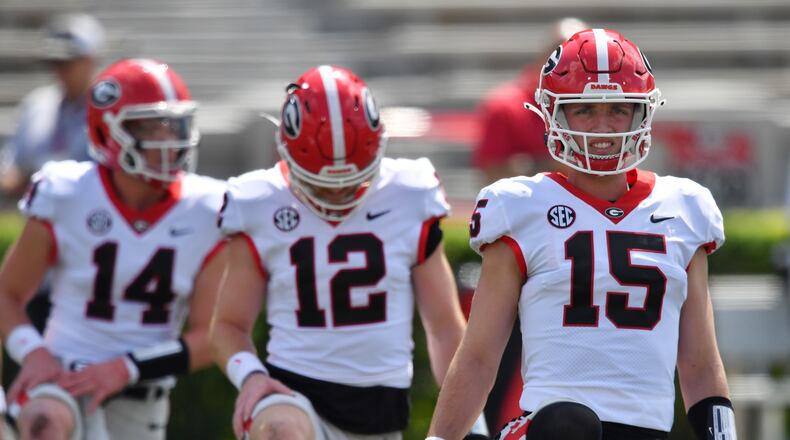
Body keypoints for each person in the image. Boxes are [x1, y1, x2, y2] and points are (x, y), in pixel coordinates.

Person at [427, 29, 737, 440]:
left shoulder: (684, 207)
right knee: (570, 424)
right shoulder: (522, 205)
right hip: (549, 428)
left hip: (644, 431)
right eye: (585, 110)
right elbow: (479, 356)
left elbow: (700, 363)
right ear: (554, 114)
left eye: (618, 109)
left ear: (642, 113)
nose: (603, 126)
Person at [209, 65, 479, 440]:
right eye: (322, 184)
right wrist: (251, 377)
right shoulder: (260, 200)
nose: (338, 193)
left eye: (353, 180)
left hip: (382, 412)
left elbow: (445, 328)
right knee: (279, 431)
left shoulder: (408, 193)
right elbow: (228, 325)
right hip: (293, 393)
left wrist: (474, 422)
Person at [0, 58, 226, 440]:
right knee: (45, 423)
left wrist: (125, 367)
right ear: (107, 134)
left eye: (173, 126)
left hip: (142, 393)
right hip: (63, 379)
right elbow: (7, 293)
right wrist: (34, 353)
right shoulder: (67, 191)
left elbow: (212, 335)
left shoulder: (209, 207)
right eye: (150, 127)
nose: (168, 141)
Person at [0, 13, 104, 201]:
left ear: (91, 60)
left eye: (68, 62)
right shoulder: (36, 105)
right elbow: (10, 173)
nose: (59, 71)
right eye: (55, 63)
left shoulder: (109, 111)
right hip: (38, 212)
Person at [473, 17, 586, 184]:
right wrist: (552, 166)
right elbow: (492, 173)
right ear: (544, 58)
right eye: (565, 57)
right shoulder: (504, 105)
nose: (572, 65)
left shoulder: (601, 104)